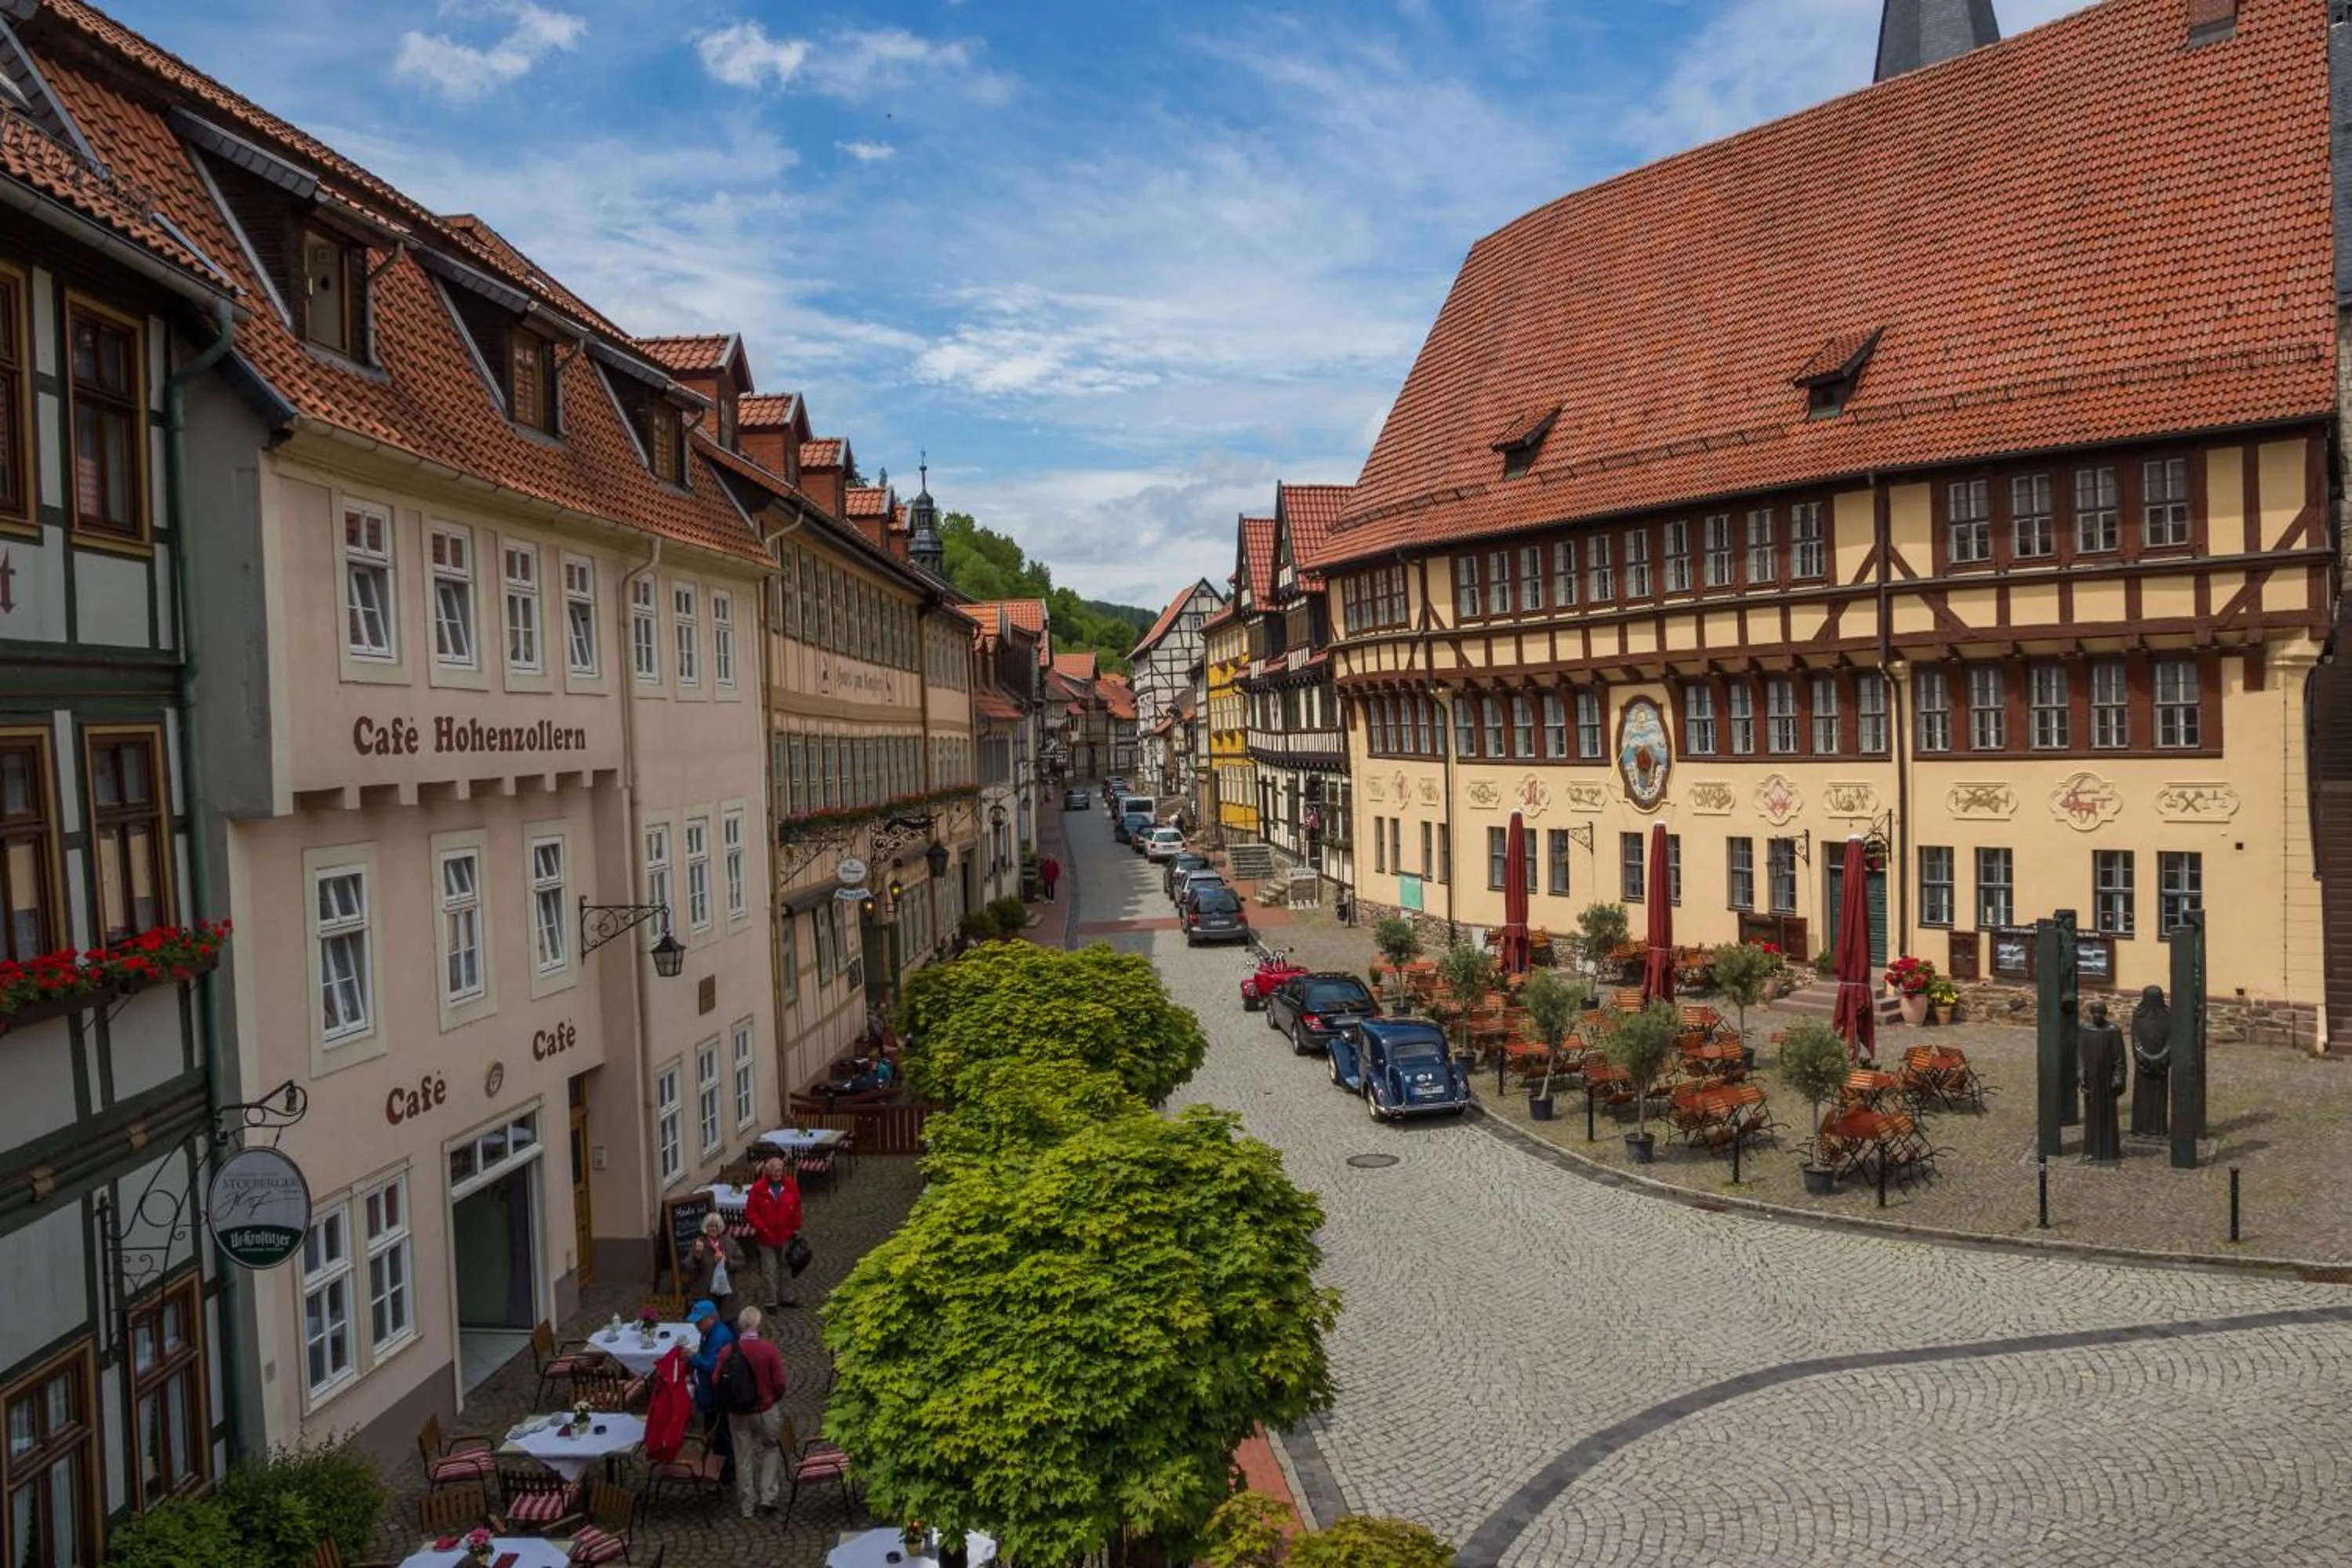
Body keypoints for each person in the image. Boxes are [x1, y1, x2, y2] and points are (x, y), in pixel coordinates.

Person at [717, 1305, 789, 1517]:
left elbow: (716, 1380)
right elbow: (779, 1383)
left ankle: (747, 1505)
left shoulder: (727, 1351)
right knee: (771, 1448)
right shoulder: (768, 1350)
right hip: (764, 1409)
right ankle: (767, 1496)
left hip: (738, 1413)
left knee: (743, 1458)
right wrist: (772, 1399)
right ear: (758, 1325)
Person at [685, 1299, 737, 1483]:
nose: (696, 1325)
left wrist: (693, 1358)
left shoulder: (719, 1337)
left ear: (712, 1318)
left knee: (722, 1436)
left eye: (700, 1321)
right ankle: (718, 1469)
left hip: (717, 1397)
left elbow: (712, 1366)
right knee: (715, 1437)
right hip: (709, 1396)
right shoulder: (709, 1333)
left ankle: (727, 1473)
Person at [743, 1157, 804, 1310]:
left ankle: (787, 1297)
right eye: (774, 1170)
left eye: (780, 1170)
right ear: (768, 1171)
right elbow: (751, 1214)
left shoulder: (790, 1185)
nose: (778, 1173)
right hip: (766, 1237)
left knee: (786, 1266)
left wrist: (796, 1227)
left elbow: (797, 1206)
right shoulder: (758, 1189)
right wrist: (762, 1228)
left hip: (785, 1234)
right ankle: (771, 1301)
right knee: (769, 1270)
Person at [2078, 1000, 2127, 1164]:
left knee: (2108, 1115)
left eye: (2100, 1013)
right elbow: (2081, 1056)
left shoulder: (2113, 1031)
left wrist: (2118, 1077)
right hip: (2091, 1080)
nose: (2097, 1016)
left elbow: (2119, 1058)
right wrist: (2080, 1074)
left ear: (2105, 1014)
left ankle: (2109, 1150)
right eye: (2095, 1013)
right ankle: (2091, 1150)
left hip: (2107, 1081)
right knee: (2091, 1115)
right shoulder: (2086, 1030)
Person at [678, 1211, 745, 1323]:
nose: (713, 1229)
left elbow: (741, 1263)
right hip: (705, 1290)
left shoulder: (730, 1243)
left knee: (726, 1321)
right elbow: (687, 1266)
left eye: (716, 1226)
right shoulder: (699, 1243)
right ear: (705, 1227)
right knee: (707, 1321)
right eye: (710, 1226)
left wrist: (727, 1261)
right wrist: (697, 1256)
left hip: (726, 1291)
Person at [2130, 983, 2171, 1138]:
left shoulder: (2168, 1016)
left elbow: (2170, 1039)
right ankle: (2141, 1127)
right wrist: (2143, 1057)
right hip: (2144, 1065)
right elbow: (2135, 1039)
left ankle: (2158, 1127)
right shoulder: (2138, 1015)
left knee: (2158, 1097)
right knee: (2143, 1096)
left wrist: (2161, 1057)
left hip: (2161, 1064)